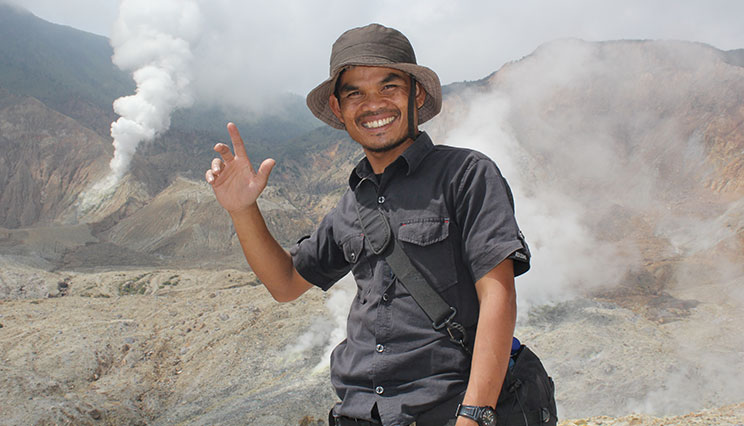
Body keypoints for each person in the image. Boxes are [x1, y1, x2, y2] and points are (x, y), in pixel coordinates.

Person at [205, 23, 530, 426]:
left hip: (446, 409)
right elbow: (285, 283)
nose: (373, 104)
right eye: (355, 93)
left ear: (417, 94)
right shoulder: (352, 203)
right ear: (338, 108)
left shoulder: (466, 174)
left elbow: (498, 295)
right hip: (358, 412)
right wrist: (242, 210)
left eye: (388, 87)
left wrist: (475, 414)